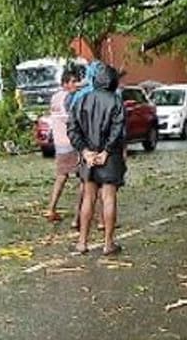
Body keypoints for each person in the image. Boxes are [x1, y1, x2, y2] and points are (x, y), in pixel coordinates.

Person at [68, 64, 126, 256]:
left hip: (89, 156)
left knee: (88, 197)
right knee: (109, 198)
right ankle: (108, 243)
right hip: (110, 157)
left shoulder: (82, 100)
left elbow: (72, 128)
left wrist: (84, 151)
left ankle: (82, 242)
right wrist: (107, 151)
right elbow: (118, 129)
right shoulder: (116, 101)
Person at [44, 69, 80, 222]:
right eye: (73, 81)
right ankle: (78, 216)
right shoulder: (69, 98)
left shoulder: (55, 97)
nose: (76, 84)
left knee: (61, 176)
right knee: (85, 179)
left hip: (59, 143)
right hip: (71, 143)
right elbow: (71, 120)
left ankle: (51, 209)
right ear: (65, 84)